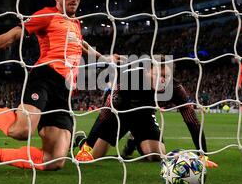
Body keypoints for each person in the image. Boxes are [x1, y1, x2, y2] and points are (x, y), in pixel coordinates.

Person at [0, 0, 120, 172]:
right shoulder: (47, 15)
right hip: (45, 77)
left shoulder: (75, 23)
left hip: (64, 91)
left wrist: (105, 59)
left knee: (54, 160)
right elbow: (14, 35)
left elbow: (81, 44)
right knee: (22, 131)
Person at [75, 59, 218, 168]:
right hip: (120, 115)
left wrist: (203, 155)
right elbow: (106, 113)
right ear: (148, 71)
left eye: (166, 76)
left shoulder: (175, 89)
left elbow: (192, 121)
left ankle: (134, 140)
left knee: (156, 155)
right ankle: (81, 140)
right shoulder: (129, 79)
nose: (163, 80)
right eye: (159, 75)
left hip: (145, 117)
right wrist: (88, 146)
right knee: (95, 156)